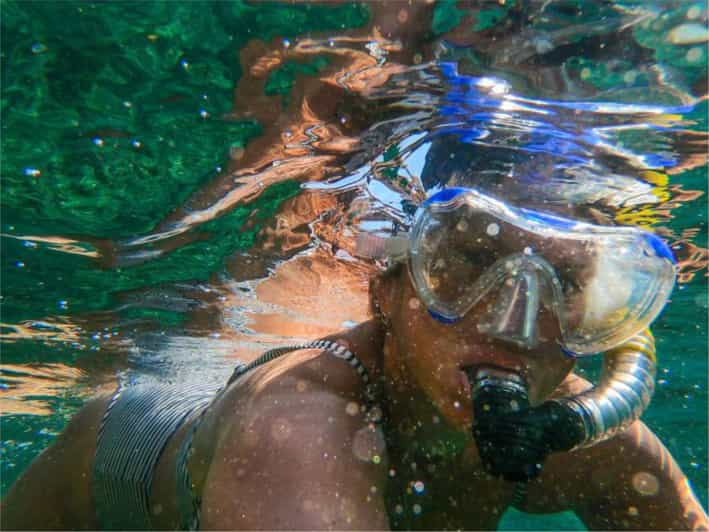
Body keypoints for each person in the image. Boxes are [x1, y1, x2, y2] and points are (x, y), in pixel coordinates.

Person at [3, 186, 708, 531]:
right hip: (113, 467)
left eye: (570, 286)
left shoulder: (575, 433)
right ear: (387, 293)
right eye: (468, 263)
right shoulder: (299, 422)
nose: (516, 324)